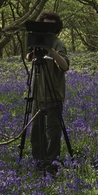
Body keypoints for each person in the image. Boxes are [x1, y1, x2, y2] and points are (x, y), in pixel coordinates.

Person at [25, 11, 70, 176]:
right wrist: (31, 54)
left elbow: (64, 66)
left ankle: (52, 166)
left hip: (53, 94)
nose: (48, 29)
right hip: (38, 94)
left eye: (51, 26)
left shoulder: (58, 44)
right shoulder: (37, 41)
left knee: (52, 133)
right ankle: (39, 163)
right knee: (37, 131)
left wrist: (50, 50)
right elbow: (28, 56)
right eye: (45, 25)